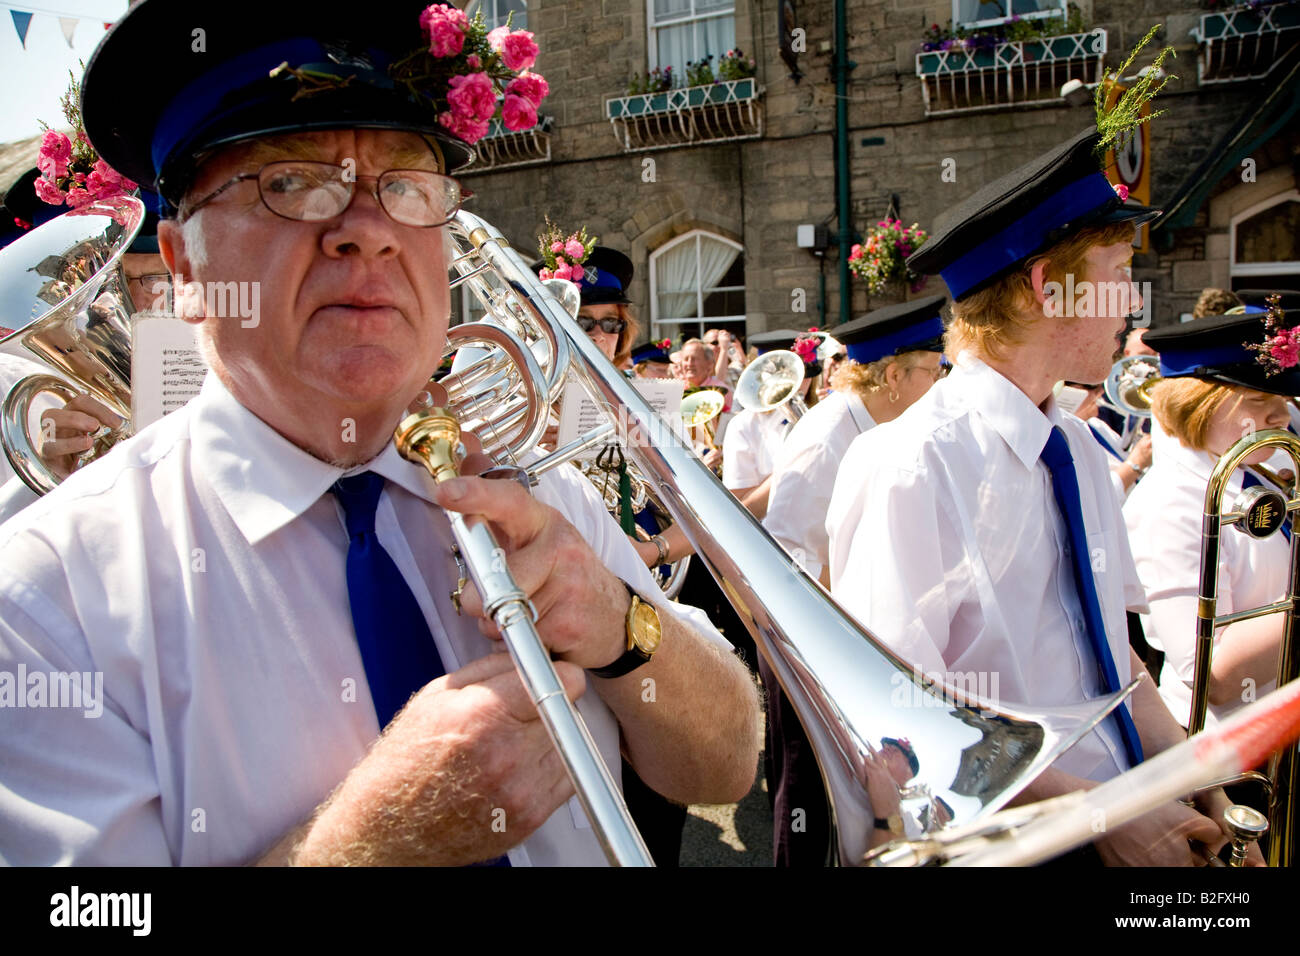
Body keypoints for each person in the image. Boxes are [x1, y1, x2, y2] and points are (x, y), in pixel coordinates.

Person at [0, 2, 760, 866]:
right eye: (287, 181)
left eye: (405, 185)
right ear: (183, 267)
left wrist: (625, 629)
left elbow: (728, 767)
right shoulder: (41, 604)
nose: (368, 230)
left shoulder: (532, 492)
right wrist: (370, 846)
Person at [828, 127, 1249, 865]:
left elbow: (1117, 664)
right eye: (1118, 271)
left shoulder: (1079, 448)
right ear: (1048, 286)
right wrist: (1105, 821)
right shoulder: (907, 462)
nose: (1133, 302)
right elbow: (903, 718)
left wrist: (1192, 772)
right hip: (1020, 843)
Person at [759, 297, 945, 867]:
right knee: (809, 800)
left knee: (859, 800)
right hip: (812, 649)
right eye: (933, 373)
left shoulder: (878, 425)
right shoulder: (829, 437)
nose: (941, 387)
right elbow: (783, 560)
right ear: (892, 376)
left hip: (847, 643)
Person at [1124, 307, 1298, 731]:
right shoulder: (1169, 505)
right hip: (1227, 746)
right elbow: (1212, 676)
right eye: (1260, 401)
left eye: (1283, 401)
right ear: (1198, 406)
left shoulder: (1251, 471)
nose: (1282, 417)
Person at [721, 328, 814, 518]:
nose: (801, 383)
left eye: (806, 374)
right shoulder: (743, 426)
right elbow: (740, 508)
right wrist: (792, 466)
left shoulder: (821, 414)